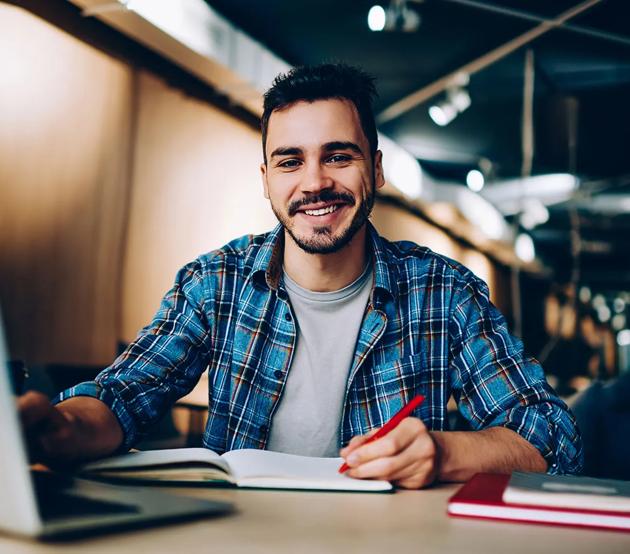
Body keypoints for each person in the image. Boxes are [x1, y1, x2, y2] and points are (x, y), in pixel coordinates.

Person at [18, 64, 583, 489]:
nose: (314, 182)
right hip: (243, 540)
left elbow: (553, 437)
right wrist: (59, 428)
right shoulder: (217, 281)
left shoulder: (446, 293)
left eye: (338, 155)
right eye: (290, 161)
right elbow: (124, 396)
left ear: (376, 169)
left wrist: (442, 452)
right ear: (266, 179)